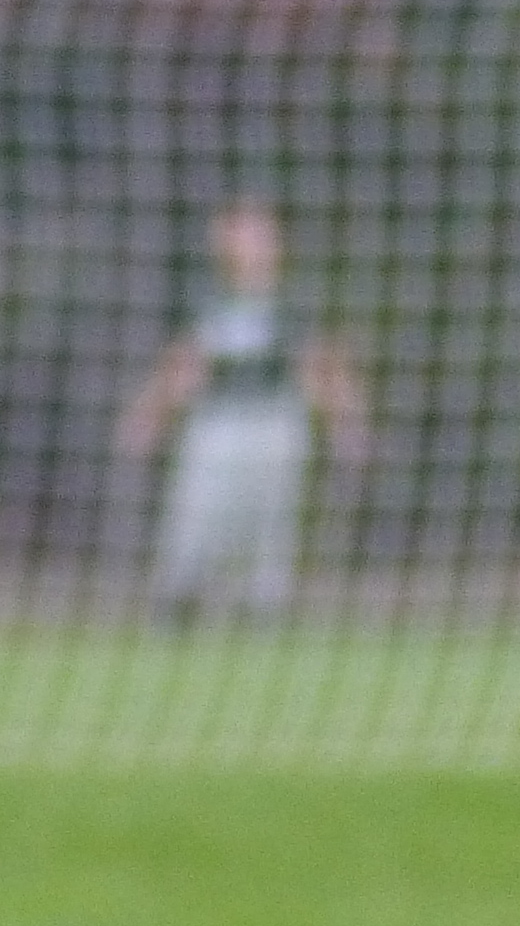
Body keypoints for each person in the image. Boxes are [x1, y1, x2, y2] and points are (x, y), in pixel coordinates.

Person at [113, 196, 369, 616]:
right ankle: (180, 596)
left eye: (259, 232)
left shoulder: (291, 307)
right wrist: (146, 417)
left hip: (274, 424)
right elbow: (181, 367)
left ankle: (262, 607)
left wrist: (348, 424)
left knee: (270, 529)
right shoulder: (208, 305)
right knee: (197, 516)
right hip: (218, 426)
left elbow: (321, 367)